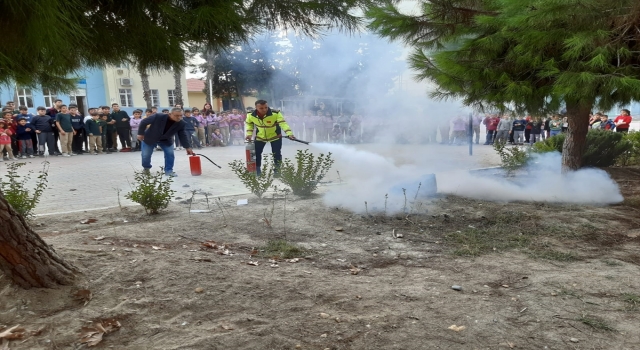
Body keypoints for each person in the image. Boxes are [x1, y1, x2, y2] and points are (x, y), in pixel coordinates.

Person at [137, 107, 194, 177]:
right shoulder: (158, 116)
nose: (179, 117)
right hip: (150, 137)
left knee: (170, 155)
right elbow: (144, 122)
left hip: (166, 140)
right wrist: (140, 133)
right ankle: (146, 168)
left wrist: (187, 147)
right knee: (146, 155)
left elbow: (182, 135)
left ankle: (169, 170)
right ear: (170, 114)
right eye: (177, 115)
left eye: (181, 115)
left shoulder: (181, 123)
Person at [245, 100, 295, 176]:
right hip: (260, 137)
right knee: (257, 154)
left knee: (276, 154)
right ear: (256, 108)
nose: (264, 110)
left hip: (275, 136)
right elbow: (249, 124)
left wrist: (289, 134)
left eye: (266, 107)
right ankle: (257, 171)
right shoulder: (250, 115)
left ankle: (277, 171)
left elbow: (283, 123)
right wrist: (249, 134)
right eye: (261, 108)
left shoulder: (275, 113)